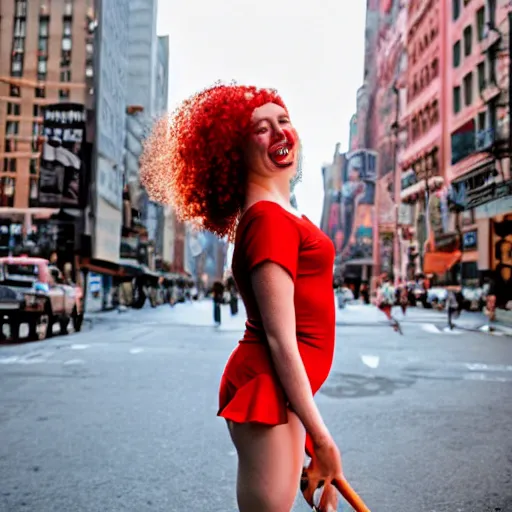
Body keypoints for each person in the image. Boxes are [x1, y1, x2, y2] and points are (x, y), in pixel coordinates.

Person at [140, 83, 350, 512]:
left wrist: (310, 439)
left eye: (283, 121)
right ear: (235, 151)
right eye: (261, 128)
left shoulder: (280, 212)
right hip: (266, 389)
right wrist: (323, 440)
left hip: (283, 390)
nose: (278, 132)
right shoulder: (268, 220)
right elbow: (279, 340)